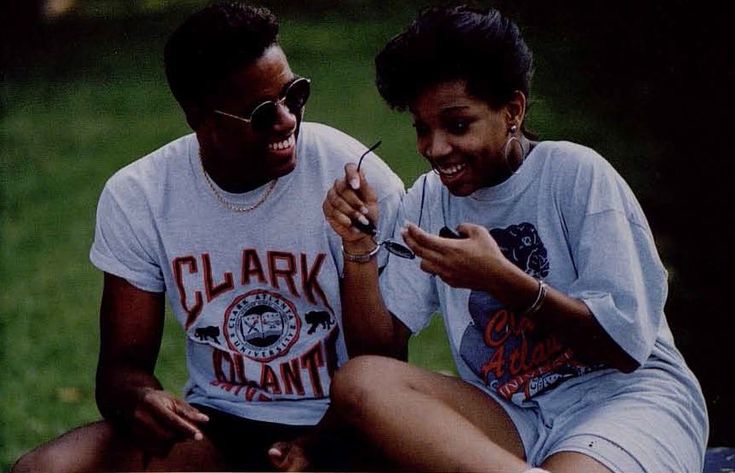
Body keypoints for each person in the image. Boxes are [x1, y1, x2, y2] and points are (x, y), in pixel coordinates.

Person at [11, 2, 403, 472]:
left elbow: (386, 364)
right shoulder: (141, 195)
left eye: (294, 95)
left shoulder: (351, 173)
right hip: (217, 424)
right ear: (199, 116)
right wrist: (139, 400)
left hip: (344, 423)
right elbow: (120, 369)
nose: (287, 121)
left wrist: (324, 443)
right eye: (260, 113)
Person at [322, 4, 708, 473]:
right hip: (513, 415)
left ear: (512, 110)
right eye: (423, 129)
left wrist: (506, 281)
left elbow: (624, 348)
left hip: (624, 400)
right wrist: (358, 247)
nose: (435, 149)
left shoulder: (573, 173)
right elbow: (379, 353)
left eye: (457, 125)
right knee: (359, 381)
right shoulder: (428, 199)